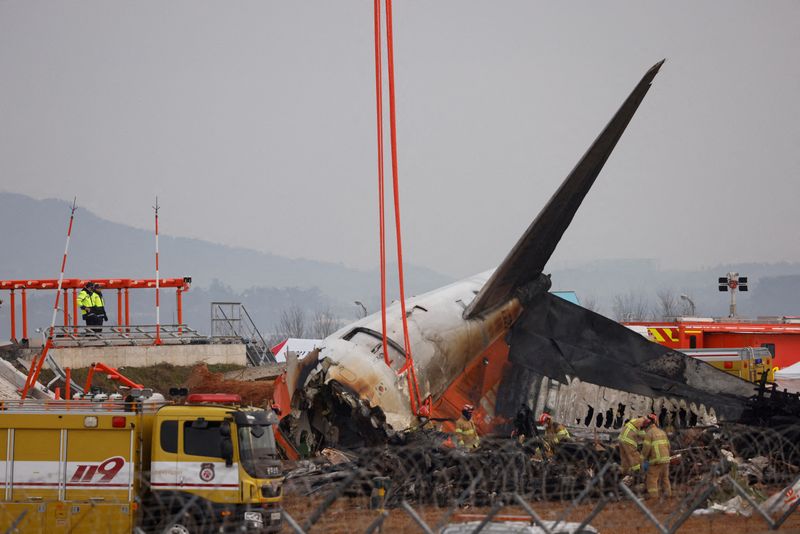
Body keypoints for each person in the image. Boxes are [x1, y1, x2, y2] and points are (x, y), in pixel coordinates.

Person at [641, 414, 672, 500]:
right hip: (666, 459)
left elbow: (646, 449)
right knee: (665, 478)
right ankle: (668, 495)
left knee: (652, 479)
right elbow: (668, 446)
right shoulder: (662, 432)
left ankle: (653, 498)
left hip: (656, 460)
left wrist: (642, 459)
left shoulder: (649, 434)